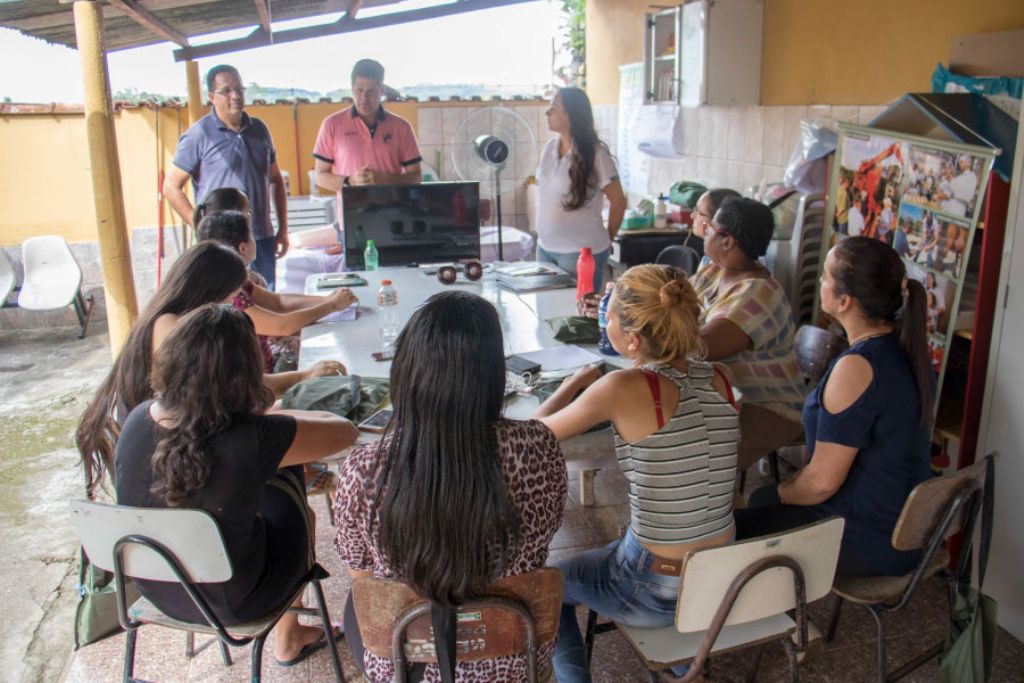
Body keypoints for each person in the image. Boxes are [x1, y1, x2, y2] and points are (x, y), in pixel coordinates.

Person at [334, 291, 566, 682]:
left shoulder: (362, 469)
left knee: (355, 606)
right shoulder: (539, 448)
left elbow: (362, 574)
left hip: (407, 663)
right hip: (516, 655)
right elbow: (547, 533)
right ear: (494, 376)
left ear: (407, 372)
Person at [114, 304, 358, 666]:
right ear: (246, 372)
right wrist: (270, 414)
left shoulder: (137, 419)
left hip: (153, 585)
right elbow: (343, 431)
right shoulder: (250, 437)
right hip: (237, 599)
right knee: (289, 489)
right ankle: (289, 637)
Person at [533, 264, 739, 683]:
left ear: (632, 339)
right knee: (622, 543)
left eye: (607, 315)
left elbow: (534, 434)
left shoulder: (621, 387)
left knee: (547, 587)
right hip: (724, 577)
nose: (602, 319)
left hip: (656, 588)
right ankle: (688, 669)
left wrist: (573, 384)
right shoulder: (722, 377)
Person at [75, 242, 344, 497]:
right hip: (173, 450)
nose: (232, 305)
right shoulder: (173, 327)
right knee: (280, 440)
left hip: (172, 438)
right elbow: (234, 388)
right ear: (210, 292)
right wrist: (303, 377)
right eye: (230, 298)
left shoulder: (168, 317)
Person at [734, 237, 934, 576]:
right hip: (901, 527)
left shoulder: (858, 367)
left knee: (740, 522)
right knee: (762, 502)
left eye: (826, 276)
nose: (821, 281)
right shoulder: (907, 349)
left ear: (844, 300)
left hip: (867, 540)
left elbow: (821, 484)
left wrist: (779, 492)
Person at [690, 197, 807, 482]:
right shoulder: (716, 269)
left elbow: (700, 347)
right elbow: (676, 300)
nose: (705, 230)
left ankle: (723, 523)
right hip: (727, 395)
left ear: (727, 240)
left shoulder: (757, 295)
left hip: (770, 407)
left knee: (703, 464)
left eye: (710, 227)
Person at [163, 65, 289, 289]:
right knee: (229, 309)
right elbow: (171, 188)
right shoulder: (198, 135)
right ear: (212, 97)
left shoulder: (259, 130)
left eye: (239, 89)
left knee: (267, 306)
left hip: (260, 239)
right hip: (221, 245)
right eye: (227, 91)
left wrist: (283, 229)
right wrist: (202, 226)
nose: (235, 96)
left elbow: (276, 180)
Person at [196, 208, 358, 371]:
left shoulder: (239, 281)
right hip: (258, 376)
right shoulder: (230, 295)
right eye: (251, 234)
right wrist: (331, 306)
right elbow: (282, 327)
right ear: (242, 248)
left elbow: (278, 302)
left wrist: (329, 299)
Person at [535, 87, 627, 293]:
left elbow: (619, 201)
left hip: (580, 253)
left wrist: (608, 238)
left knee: (579, 320)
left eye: (554, 108)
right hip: (545, 249)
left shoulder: (595, 154)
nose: (547, 113)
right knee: (547, 317)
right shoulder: (550, 148)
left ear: (571, 114)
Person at [313, 59, 422, 224]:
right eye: (359, 90)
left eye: (371, 91)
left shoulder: (401, 127)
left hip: (394, 219)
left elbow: (416, 176)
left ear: (381, 90)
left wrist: (386, 180)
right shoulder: (332, 125)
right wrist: (350, 181)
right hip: (352, 221)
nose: (364, 97)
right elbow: (320, 176)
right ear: (352, 89)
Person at [690, 187, 742, 266]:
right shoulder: (709, 259)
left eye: (699, 213)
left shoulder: (728, 268)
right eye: (695, 210)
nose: (692, 216)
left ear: (717, 220)